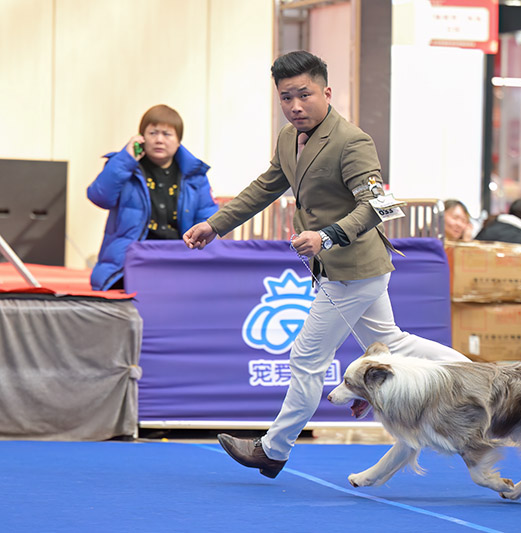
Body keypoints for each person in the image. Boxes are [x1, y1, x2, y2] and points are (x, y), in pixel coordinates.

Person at [182, 51, 469, 479]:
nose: (295, 106)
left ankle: (273, 449)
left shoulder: (352, 141)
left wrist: (327, 236)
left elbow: (378, 205)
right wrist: (214, 224)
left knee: (306, 357)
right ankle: (476, 376)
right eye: (286, 97)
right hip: (343, 269)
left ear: (327, 92)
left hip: (353, 267)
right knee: (394, 343)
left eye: (305, 94)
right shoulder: (288, 138)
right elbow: (264, 187)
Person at [87, 104, 218, 291]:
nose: (159, 140)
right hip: (131, 261)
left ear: (178, 141)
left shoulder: (195, 175)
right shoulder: (124, 166)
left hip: (179, 258)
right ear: (141, 137)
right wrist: (125, 159)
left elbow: (208, 218)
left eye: (167, 134)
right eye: (153, 133)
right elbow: (99, 197)